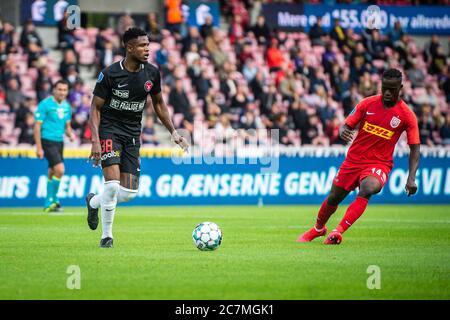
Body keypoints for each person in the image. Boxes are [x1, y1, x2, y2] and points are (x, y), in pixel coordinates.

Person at [86, 28, 188, 248]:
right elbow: (94, 108)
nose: (147, 48)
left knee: (129, 193)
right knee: (112, 186)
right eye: (142, 45)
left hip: (132, 134)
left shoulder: (152, 73)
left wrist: (174, 132)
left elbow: (159, 104)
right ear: (129, 47)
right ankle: (107, 236)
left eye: (148, 44)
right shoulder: (110, 74)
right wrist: (95, 140)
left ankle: (93, 202)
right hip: (109, 131)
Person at [298, 68, 420, 245]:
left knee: (369, 187)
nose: (387, 92)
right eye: (384, 87)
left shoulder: (407, 115)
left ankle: (337, 231)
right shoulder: (367, 104)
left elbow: (415, 149)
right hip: (353, 160)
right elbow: (346, 125)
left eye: (392, 89)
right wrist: (343, 131)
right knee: (334, 197)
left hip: (379, 163)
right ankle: (318, 229)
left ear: (400, 88)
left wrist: (411, 178)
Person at [34, 80, 75, 212]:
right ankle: (52, 200)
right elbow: (37, 127)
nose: (62, 92)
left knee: (52, 171)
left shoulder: (67, 106)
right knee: (60, 170)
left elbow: (67, 127)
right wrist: (39, 147)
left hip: (59, 141)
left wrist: (71, 134)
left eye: (64, 90)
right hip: (47, 140)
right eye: (59, 89)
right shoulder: (45, 104)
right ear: (54, 90)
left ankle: (50, 203)